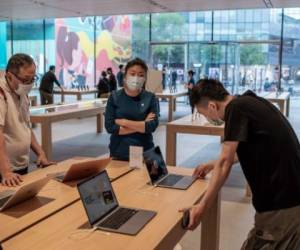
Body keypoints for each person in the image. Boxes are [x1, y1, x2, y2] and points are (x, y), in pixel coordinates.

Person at [180, 78, 300, 249]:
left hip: (280, 204)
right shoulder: (249, 101)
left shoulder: (235, 110)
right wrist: (211, 164)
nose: (208, 119)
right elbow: (251, 148)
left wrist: (202, 206)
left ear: (212, 106)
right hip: (292, 197)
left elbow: (225, 161)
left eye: (204, 114)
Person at [0, 54, 54, 186]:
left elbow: (26, 127)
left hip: (20, 166)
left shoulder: (21, 93)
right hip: (4, 171)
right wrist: (6, 171)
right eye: (25, 80)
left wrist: (40, 153)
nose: (29, 84)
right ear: (9, 75)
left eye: (32, 79)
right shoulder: (1, 94)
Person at [105, 58, 159, 160]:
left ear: (144, 79)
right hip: (120, 152)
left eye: (141, 75)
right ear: (125, 77)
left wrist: (124, 122)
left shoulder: (150, 97)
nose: (136, 78)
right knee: (118, 176)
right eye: (132, 74)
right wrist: (142, 123)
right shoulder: (114, 97)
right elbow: (110, 127)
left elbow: (152, 126)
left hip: (147, 152)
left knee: (151, 176)